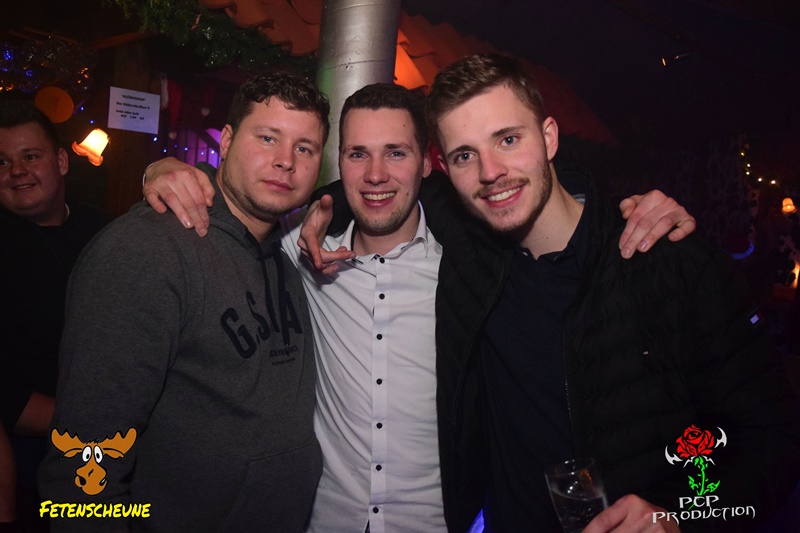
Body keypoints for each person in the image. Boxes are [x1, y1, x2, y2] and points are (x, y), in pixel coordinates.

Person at [143, 83, 697, 531]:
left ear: (428, 164)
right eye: (358, 154)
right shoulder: (299, 250)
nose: (376, 174)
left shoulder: (474, 269)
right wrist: (164, 172)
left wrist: (610, 213)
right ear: (340, 163)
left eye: (396, 153)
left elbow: (535, 208)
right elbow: (249, 199)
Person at [406, 53, 799, 532]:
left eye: (508, 139)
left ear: (549, 137)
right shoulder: (469, 257)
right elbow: (378, 184)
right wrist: (324, 217)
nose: (491, 172)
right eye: (465, 156)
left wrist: (680, 517)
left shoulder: (669, 260)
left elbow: (774, 439)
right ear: (444, 168)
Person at [38, 72, 328, 532]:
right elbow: (82, 462)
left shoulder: (290, 256)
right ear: (227, 141)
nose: (285, 161)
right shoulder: (145, 251)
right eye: (268, 138)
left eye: (305, 148)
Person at [0, 101, 107, 528]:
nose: (16, 171)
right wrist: (92, 421)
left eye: (30, 156)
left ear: (62, 161)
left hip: (113, 453)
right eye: (2, 162)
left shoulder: (106, 233)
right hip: (24, 461)